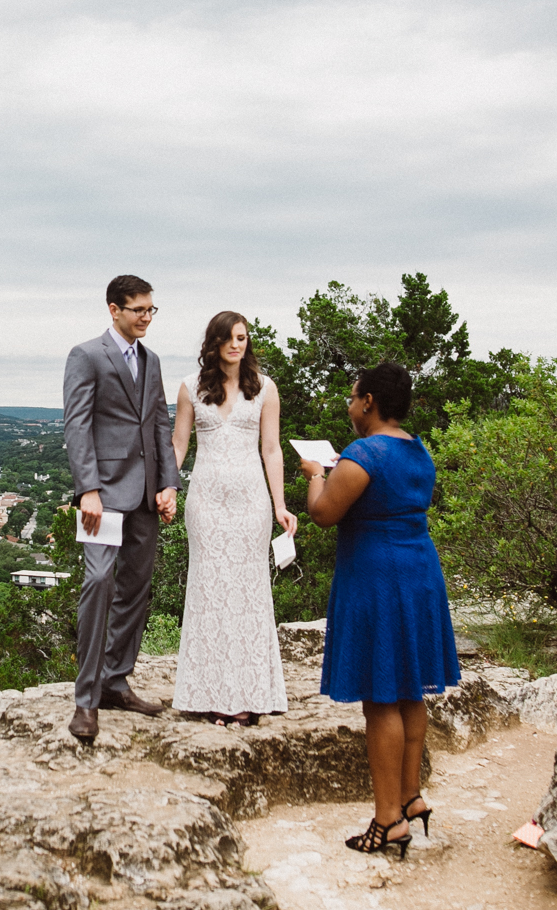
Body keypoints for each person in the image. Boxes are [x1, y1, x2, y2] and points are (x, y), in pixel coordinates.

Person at [299, 360, 460, 858]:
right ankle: (410, 797)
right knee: (411, 690)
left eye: (352, 398)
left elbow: (324, 514)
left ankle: (387, 819)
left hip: (378, 576)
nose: (349, 406)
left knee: (381, 696)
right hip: (418, 571)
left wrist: (313, 476)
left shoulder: (363, 452)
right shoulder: (418, 449)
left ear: (369, 402)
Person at [61, 274, 182, 744]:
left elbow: (159, 423)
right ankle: (86, 700)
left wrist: (169, 483)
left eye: (152, 309)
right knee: (98, 583)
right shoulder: (87, 355)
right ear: (114, 309)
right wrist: (87, 489)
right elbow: (77, 424)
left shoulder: (151, 361)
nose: (147, 317)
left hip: (146, 496)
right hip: (103, 497)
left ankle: (116, 681)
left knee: (136, 589)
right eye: (139, 310)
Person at [170, 311, 296, 724]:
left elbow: (272, 450)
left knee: (247, 593)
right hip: (205, 504)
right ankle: (206, 695)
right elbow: (179, 445)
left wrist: (280, 505)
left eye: (242, 337)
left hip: (251, 505)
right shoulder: (190, 388)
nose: (236, 345)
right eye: (228, 338)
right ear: (214, 343)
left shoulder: (265, 389)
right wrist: (168, 488)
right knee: (208, 591)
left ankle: (249, 693)